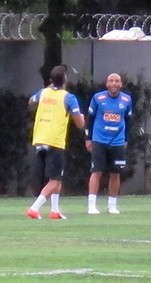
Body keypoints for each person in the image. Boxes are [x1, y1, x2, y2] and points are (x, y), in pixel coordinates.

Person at [26, 65, 85, 220]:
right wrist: (83, 119)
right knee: (55, 179)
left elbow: (31, 101)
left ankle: (55, 210)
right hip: (55, 141)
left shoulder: (43, 93)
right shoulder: (69, 98)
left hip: (40, 139)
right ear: (65, 79)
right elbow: (80, 123)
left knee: (56, 175)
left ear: (51, 80)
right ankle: (34, 208)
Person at [85, 73, 133, 215]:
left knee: (115, 173)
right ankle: (92, 205)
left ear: (121, 84)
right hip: (99, 140)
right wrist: (88, 138)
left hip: (117, 142)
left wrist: (125, 139)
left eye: (116, 81)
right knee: (96, 171)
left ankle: (112, 205)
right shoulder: (98, 98)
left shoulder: (126, 99)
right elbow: (90, 119)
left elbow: (129, 121)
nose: (114, 83)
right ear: (107, 84)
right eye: (111, 81)